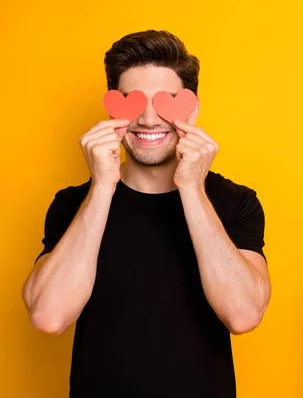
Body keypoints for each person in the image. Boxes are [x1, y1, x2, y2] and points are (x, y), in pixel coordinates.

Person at [22, 30, 271, 397]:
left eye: (166, 102)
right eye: (133, 102)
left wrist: (191, 187)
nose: (150, 120)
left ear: (192, 109)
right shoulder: (73, 204)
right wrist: (102, 186)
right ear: (112, 108)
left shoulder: (235, 201)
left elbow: (243, 315)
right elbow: (48, 316)